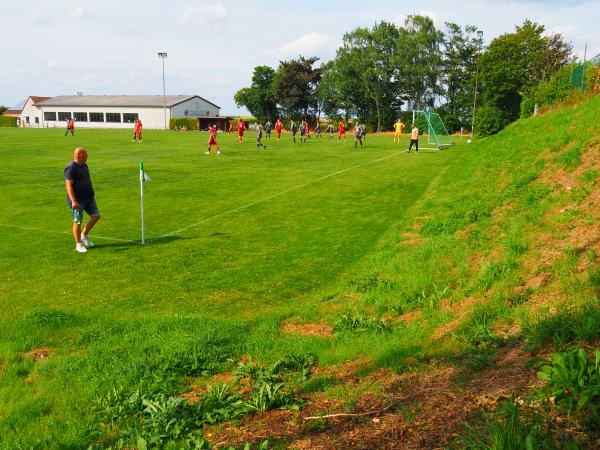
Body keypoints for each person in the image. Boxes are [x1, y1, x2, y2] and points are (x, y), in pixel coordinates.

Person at [64, 147, 100, 253]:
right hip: (77, 201)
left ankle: (84, 235)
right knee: (77, 221)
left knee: (96, 216)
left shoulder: (84, 165)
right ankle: (78, 244)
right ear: (81, 155)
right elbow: (68, 186)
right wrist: (74, 201)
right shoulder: (71, 168)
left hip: (89, 197)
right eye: (86, 154)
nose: (88, 156)